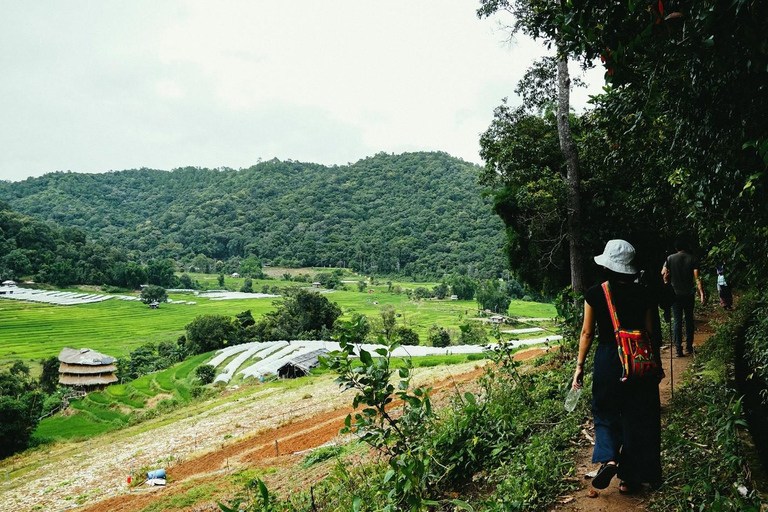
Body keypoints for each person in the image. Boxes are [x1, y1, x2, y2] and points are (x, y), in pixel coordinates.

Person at [572, 239, 663, 494]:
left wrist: (579, 366)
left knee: (604, 410)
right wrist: (655, 364)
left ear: (607, 266)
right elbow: (650, 333)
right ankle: (629, 479)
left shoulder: (595, 293)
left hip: (608, 360)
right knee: (637, 416)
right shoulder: (644, 293)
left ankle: (609, 458)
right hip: (637, 362)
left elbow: (587, 333)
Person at [661, 240, 705, 357]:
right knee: (689, 320)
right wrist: (701, 293)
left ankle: (678, 349)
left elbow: (663, 272)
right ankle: (689, 347)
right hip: (688, 294)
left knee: (677, 321)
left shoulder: (670, 258)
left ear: (676, 248)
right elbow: (697, 278)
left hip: (675, 295)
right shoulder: (692, 259)